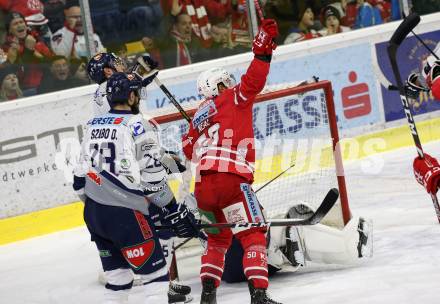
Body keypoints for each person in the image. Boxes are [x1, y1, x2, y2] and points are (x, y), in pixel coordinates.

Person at [72, 72, 199, 304]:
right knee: (157, 279)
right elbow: (152, 178)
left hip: (93, 213)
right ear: (130, 96)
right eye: (137, 93)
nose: (139, 97)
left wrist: (96, 203)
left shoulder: (92, 124)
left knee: (118, 281)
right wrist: (172, 208)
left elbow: (78, 179)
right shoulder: (137, 124)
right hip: (125, 213)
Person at [182, 19, 281, 304]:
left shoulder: (196, 119)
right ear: (218, 86)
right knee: (252, 235)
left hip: (202, 189)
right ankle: (259, 295)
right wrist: (263, 52)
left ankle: (208, 295)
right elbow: (254, 80)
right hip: (231, 180)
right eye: (225, 82)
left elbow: (188, 151)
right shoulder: (232, 98)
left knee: (217, 239)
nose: (231, 84)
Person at [221, 203, 372, 283]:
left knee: (283, 228)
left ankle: (285, 245)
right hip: (237, 262)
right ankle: (347, 247)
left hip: (243, 257)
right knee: (280, 234)